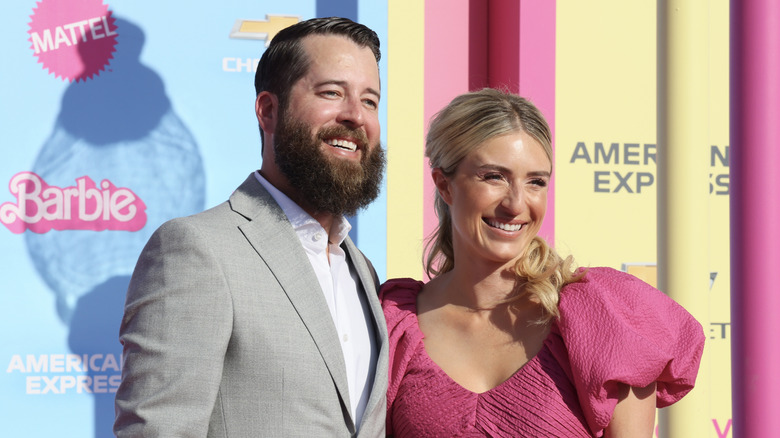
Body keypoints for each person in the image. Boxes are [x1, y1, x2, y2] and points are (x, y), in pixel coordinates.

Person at [114, 17, 389, 437]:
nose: (356, 116)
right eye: (332, 93)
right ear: (268, 110)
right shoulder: (197, 249)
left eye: (370, 100)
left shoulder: (363, 271)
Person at [380, 88, 705, 437]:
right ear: (444, 185)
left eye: (536, 182)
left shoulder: (604, 320)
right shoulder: (393, 324)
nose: (516, 204)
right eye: (494, 176)